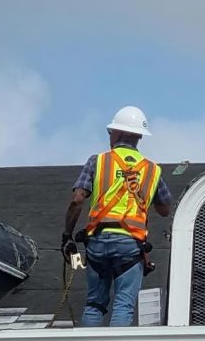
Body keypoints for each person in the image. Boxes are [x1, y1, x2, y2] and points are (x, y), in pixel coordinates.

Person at [62, 106, 174, 326]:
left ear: (117, 133)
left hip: (97, 242)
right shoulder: (152, 170)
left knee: (94, 303)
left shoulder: (98, 161)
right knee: (123, 304)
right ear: (139, 136)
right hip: (130, 245)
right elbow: (165, 208)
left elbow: (77, 199)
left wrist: (67, 236)